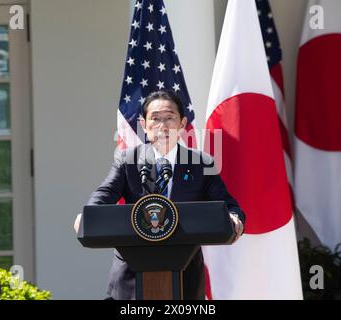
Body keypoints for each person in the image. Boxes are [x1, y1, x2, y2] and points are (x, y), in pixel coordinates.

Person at [74, 90, 245, 300]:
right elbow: (105, 193)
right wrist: (88, 215)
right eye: (154, 119)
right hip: (131, 277)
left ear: (182, 123)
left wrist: (235, 218)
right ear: (144, 125)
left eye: (169, 118)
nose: (162, 126)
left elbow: (229, 205)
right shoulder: (128, 160)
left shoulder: (201, 163)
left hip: (185, 276)